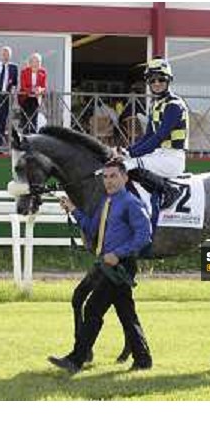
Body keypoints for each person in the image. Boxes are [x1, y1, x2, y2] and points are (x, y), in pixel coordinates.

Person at [48, 159, 153, 374]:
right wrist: (73, 209)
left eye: (113, 176)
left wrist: (119, 253)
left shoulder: (131, 203)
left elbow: (145, 235)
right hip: (107, 264)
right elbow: (91, 227)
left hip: (120, 266)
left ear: (125, 177)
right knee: (126, 313)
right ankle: (143, 359)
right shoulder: (106, 202)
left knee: (93, 307)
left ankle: (76, 359)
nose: (109, 181)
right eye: (105, 177)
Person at [118, 57, 189, 209]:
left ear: (169, 80)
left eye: (161, 79)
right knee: (124, 162)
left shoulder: (174, 105)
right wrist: (128, 150)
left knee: (127, 166)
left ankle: (170, 190)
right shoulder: (155, 104)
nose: (156, 83)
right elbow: (148, 135)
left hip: (172, 158)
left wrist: (132, 154)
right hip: (159, 155)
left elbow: (158, 137)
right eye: (152, 80)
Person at [19, 53, 47, 134]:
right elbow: (23, 86)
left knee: (34, 118)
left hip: (36, 98)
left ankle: (33, 136)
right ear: (30, 63)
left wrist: (40, 89)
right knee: (26, 118)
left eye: (38, 62)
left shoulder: (43, 72)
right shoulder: (24, 72)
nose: (36, 64)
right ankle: (25, 136)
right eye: (34, 62)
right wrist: (33, 90)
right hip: (25, 97)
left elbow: (44, 86)